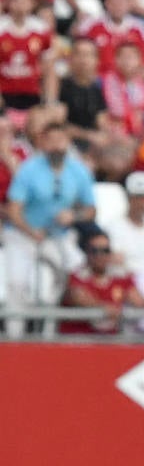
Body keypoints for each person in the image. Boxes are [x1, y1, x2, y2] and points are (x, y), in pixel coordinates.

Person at [4, 121, 96, 337]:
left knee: (60, 283)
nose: (56, 146)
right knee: (17, 283)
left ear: (67, 143)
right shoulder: (29, 170)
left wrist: (74, 215)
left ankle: (48, 335)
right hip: (23, 235)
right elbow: (14, 209)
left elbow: (91, 210)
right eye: (51, 141)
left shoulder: (78, 171)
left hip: (57, 236)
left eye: (60, 141)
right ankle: (13, 338)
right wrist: (30, 231)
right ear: (43, 143)